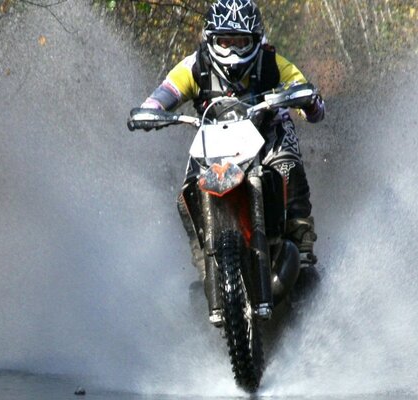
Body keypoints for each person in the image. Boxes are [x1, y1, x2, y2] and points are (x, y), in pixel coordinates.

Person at [132, 0, 325, 317]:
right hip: (215, 141)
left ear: (255, 39)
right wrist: (149, 113)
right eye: (226, 41)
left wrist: (308, 100)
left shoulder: (271, 62)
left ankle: (302, 250)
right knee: (187, 191)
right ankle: (204, 260)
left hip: (268, 133)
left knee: (288, 165)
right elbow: (164, 94)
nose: (233, 51)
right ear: (211, 38)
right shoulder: (194, 66)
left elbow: (302, 88)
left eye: (240, 42)